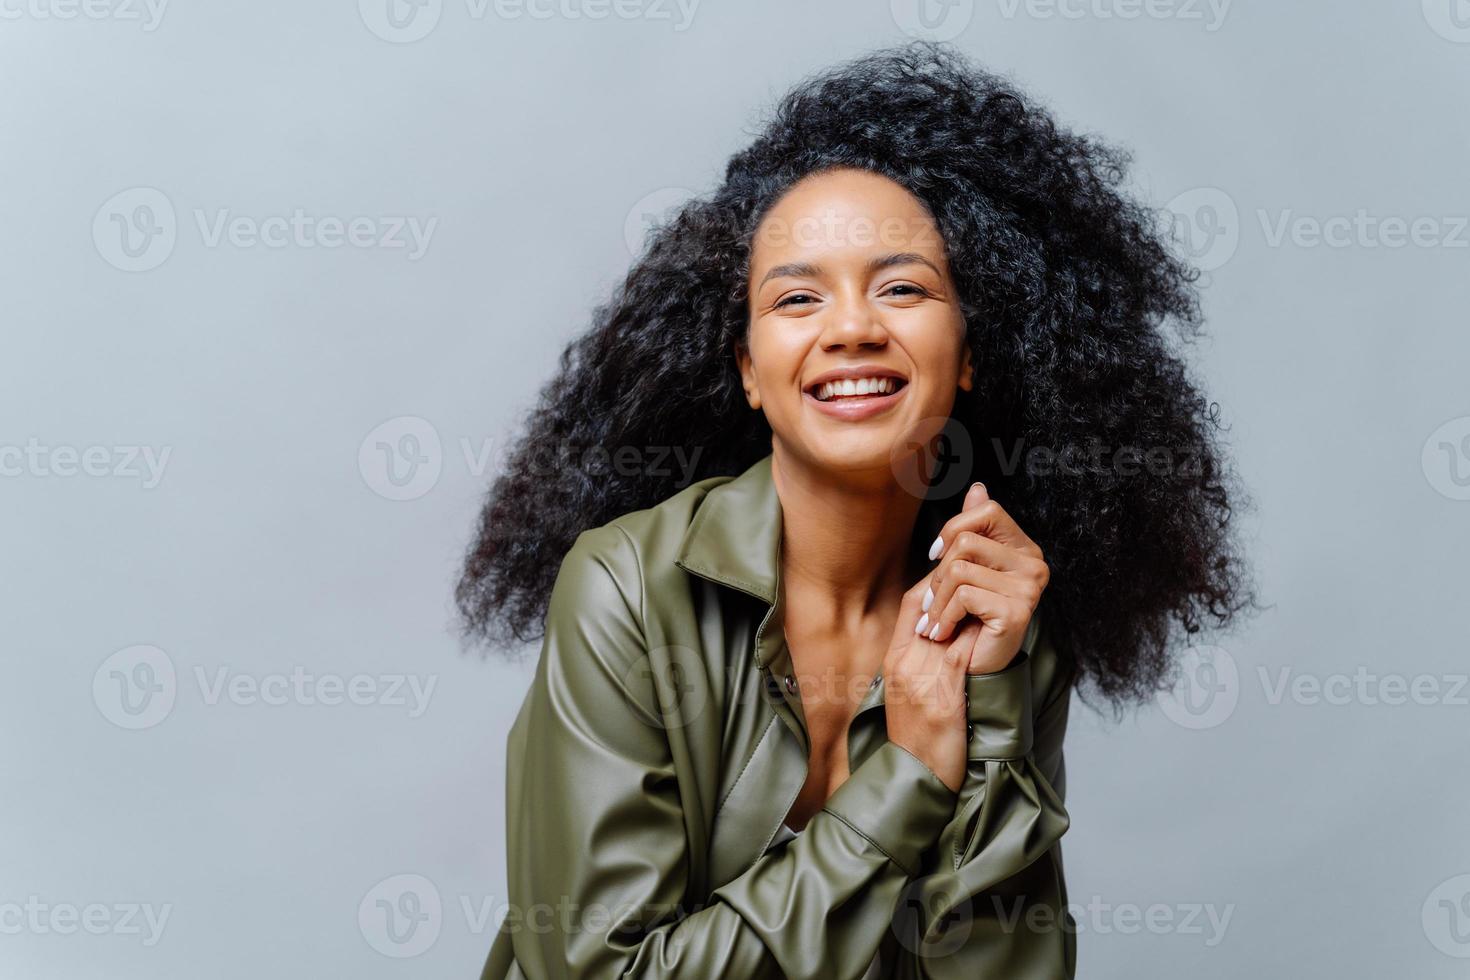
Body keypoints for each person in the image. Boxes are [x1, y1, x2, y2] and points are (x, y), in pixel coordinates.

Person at [458, 40, 1251, 979]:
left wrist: (991, 701)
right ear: (750, 371)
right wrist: (906, 783)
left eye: (903, 287)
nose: (852, 328)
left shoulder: (999, 616)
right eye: (798, 298)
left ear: (970, 349)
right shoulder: (629, 589)